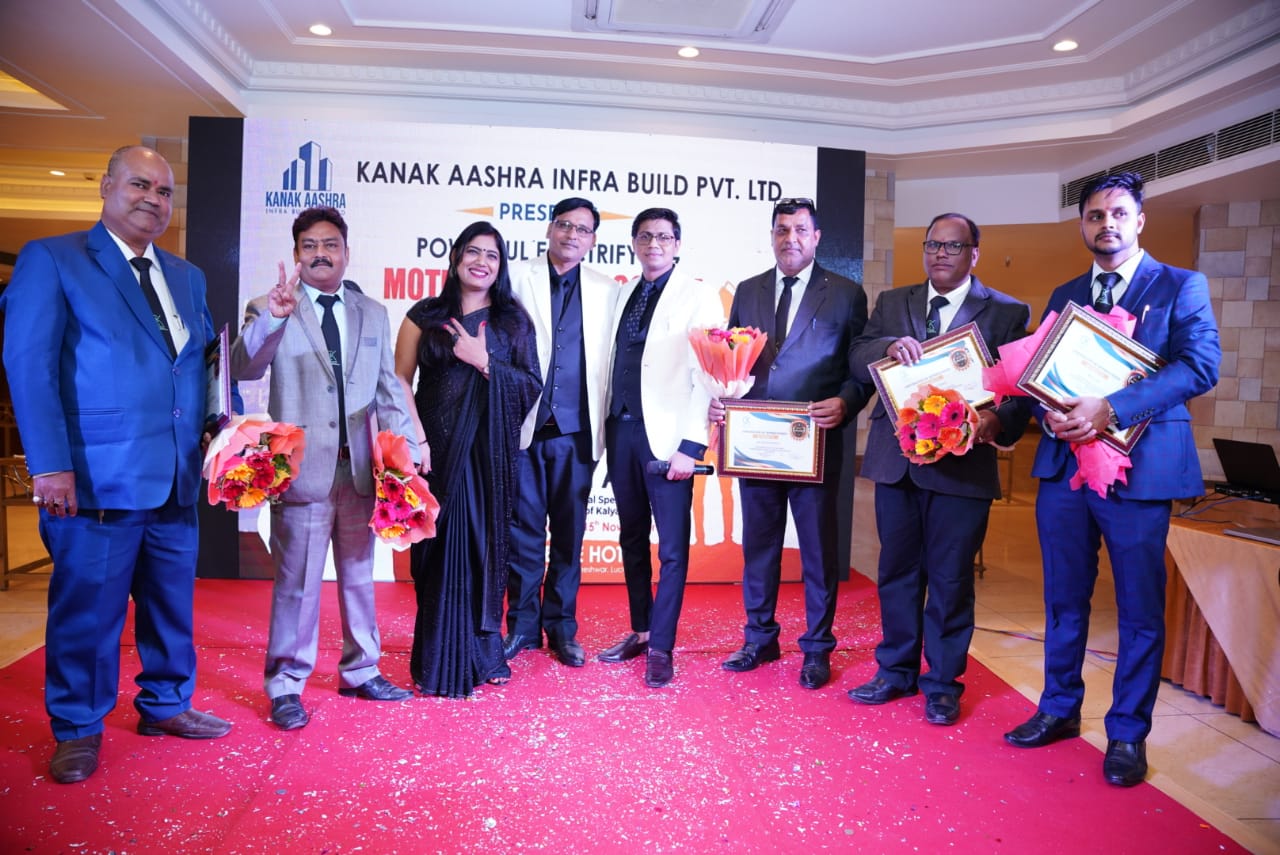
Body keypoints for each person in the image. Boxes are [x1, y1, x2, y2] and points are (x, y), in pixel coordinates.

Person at [0, 145, 231, 783]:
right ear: (106, 187)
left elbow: (202, 366)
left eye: (165, 191)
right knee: (88, 613)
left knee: (170, 605)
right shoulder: (54, 259)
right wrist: (49, 465)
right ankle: (77, 726)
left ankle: (166, 703)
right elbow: (29, 365)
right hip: (93, 478)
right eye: (139, 185)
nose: (153, 199)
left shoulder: (186, 275)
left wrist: (222, 435)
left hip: (176, 476)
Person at [1004, 172, 1220, 786]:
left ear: (1139, 220)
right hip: (1065, 470)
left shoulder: (1181, 285)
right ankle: (1058, 709)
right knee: (1063, 598)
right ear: (1082, 224)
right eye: (1096, 215)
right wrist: (1046, 412)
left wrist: (1112, 408)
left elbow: (1200, 366)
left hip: (1140, 473)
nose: (1108, 224)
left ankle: (1127, 733)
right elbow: (1038, 374)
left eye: (1119, 213)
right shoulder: (1066, 292)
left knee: (1139, 608)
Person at [231, 206, 419, 730]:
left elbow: (388, 390)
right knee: (297, 586)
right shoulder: (271, 306)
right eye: (309, 246)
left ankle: (361, 670)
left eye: (330, 244)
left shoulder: (372, 312)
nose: (320, 254)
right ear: (296, 255)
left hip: (360, 472)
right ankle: (286, 684)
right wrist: (274, 318)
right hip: (302, 473)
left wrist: (405, 455)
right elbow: (244, 366)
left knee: (360, 578)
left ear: (346, 253)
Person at [847, 213, 1031, 724]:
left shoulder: (1007, 312)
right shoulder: (893, 302)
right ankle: (895, 671)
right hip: (896, 462)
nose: (941, 254)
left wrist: (995, 421)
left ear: (975, 253)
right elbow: (856, 354)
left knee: (951, 579)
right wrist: (885, 348)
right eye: (933, 245)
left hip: (963, 466)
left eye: (953, 246)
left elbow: (1022, 390)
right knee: (896, 573)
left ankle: (943, 683)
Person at [709, 197, 870, 690]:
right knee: (759, 546)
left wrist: (846, 402)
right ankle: (760, 638)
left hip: (813, 443)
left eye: (800, 229)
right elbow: (735, 361)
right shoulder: (749, 290)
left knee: (818, 551)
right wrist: (723, 398)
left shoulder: (846, 293)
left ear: (816, 237)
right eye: (782, 229)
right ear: (772, 235)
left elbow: (859, 369)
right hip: (755, 441)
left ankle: (817, 648)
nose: (790, 238)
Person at [394, 221, 541, 698]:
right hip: (433, 453)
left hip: (487, 456)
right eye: (473, 251)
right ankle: (435, 657)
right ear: (456, 256)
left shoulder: (513, 321)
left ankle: (485, 652)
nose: (482, 262)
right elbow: (399, 380)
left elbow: (531, 386)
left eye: (492, 256)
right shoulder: (424, 315)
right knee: (434, 553)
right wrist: (416, 439)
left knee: (483, 548)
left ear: (501, 266)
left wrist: (484, 361)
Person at [596, 208, 724, 688]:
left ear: (677, 244)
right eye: (646, 236)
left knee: (671, 550)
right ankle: (641, 630)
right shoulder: (624, 291)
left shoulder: (698, 294)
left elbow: (707, 373)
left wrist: (691, 446)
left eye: (664, 237)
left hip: (669, 441)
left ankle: (662, 647)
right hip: (621, 431)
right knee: (631, 539)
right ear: (634, 242)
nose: (654, 244)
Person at [505, 198, 621, 667]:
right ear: (550, 229)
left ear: (593, 240)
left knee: (570, 538)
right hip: (524, 429)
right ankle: (522, 627)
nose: (573, 235)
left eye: (583, 229)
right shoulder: (516, 279)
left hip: (577, 433)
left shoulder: (608, 291)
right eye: (565, 225)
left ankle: (562, 628)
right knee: (523, 535)